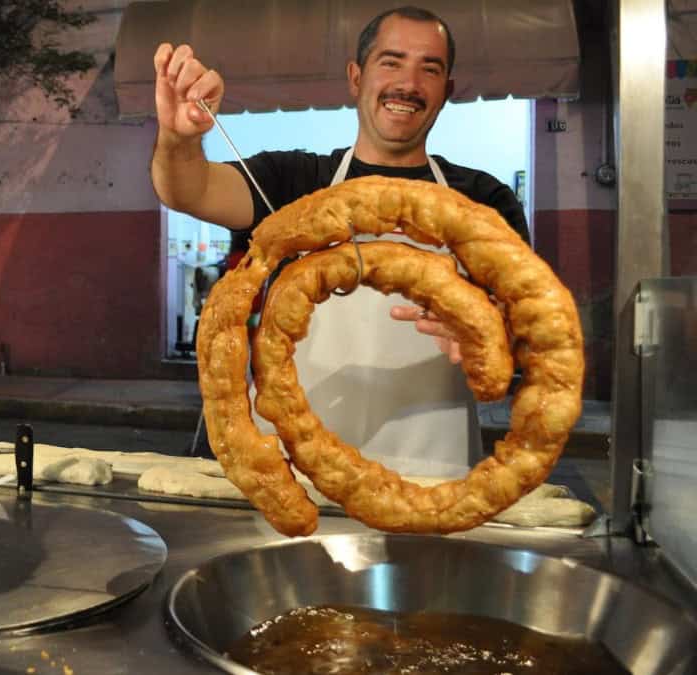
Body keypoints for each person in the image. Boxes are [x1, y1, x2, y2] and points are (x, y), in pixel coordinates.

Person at [151, 6, 531, 476]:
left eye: (429, 68)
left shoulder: (483, 202)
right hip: (290, 469)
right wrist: (178, 138)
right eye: (391, 62)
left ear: (447, 90)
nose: (408, 84)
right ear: (356, 77)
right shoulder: (294, 181)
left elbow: (525, 331)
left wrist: (491, 338)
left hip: (431, 473)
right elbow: (189, 190)